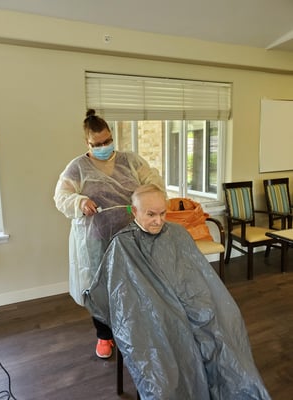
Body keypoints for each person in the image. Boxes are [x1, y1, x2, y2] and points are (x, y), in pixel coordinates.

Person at [85, 184, 271, 400]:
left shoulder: (178, 234)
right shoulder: (122, 245)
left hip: (191, 305)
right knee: (166, 374)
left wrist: (198, 306)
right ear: (134, 211)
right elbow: (120, 298)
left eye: (163, 213)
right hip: (151, 318)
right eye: (151, 214)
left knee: (227, 352)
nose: (158, 220)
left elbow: (197, 277)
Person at [54, 110, 164, 359]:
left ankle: (133, 331)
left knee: (132, 285)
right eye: (98, 144)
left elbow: (152, 181)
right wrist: (80, 202)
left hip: (132, 237)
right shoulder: (78, 167)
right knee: (100, 288)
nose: (104, 147)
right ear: (87, 143)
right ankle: (104, 336)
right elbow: (61, 196)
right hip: (96, 240)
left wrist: (146, 198)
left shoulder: (131, 161)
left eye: (107, 141)